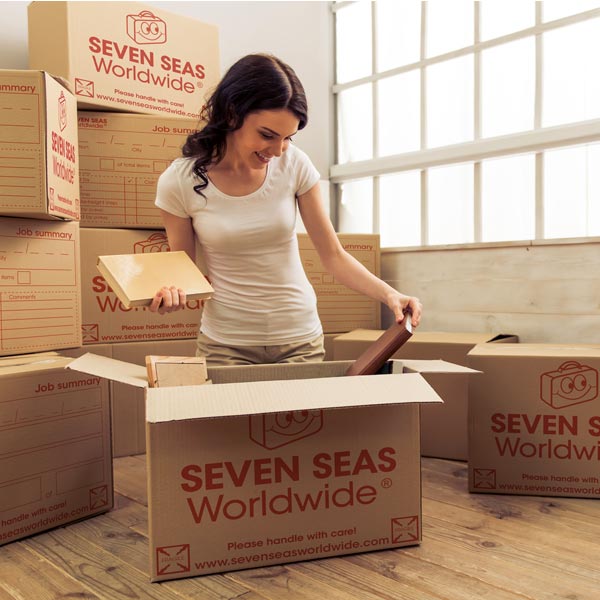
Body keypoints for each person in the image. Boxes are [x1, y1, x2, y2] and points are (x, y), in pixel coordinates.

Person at [150, 53, 422, 366]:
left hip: (299, 340)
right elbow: (183, 270)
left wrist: (390, 295)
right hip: (225, 345)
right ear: (231, 114)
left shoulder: (294, 165)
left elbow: (333, 256)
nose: (277, 150)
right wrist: (169, 294)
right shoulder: (180, 181)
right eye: (267, 135)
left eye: (288, 138)